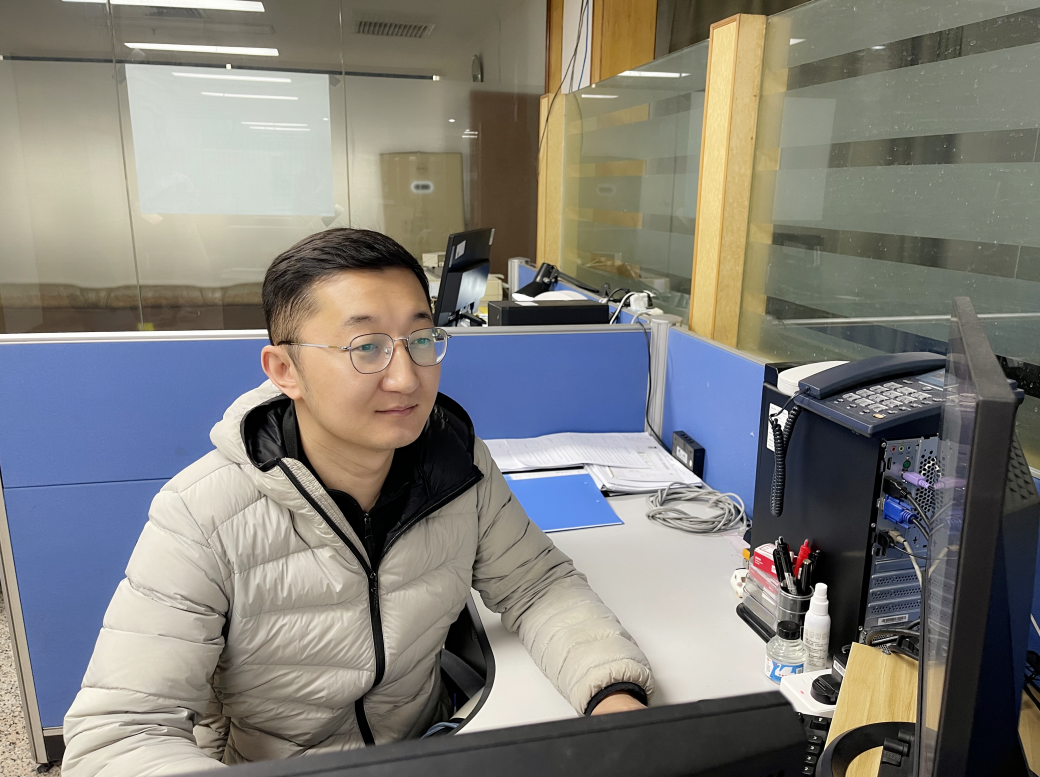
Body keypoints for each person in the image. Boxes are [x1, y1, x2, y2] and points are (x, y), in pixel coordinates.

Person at [62, 229, 653, 776]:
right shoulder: (202, 514)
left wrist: (614, 701)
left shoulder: (456, 464)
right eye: (366, 347)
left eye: (421, 339)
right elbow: (117, 736)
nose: (406, 378)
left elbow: (536, 585)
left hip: (430, 748)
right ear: (285, 370)